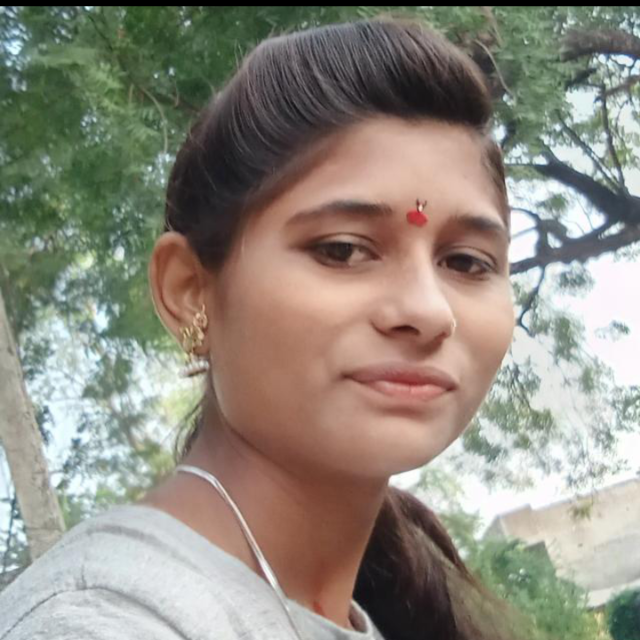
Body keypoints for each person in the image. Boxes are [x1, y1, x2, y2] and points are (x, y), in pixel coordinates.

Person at [0, 17, 516, 640]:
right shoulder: (101, 621)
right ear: (190, 292)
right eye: (343, 250)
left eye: (467, 262)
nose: (429, 312)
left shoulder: (367, 611)